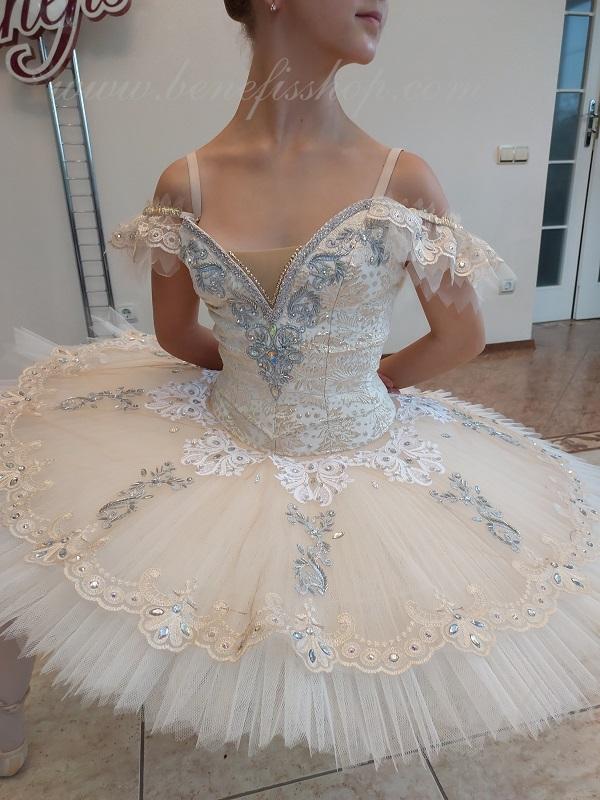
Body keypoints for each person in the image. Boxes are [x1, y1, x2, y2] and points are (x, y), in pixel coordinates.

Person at [1, 0, 599, 778]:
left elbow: (182, 334)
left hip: (348, 432)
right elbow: (458, 337)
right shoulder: (200, 184)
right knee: (45, 516)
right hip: (236, 427)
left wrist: (350, 382)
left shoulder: (376, 180)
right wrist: (319, 381)